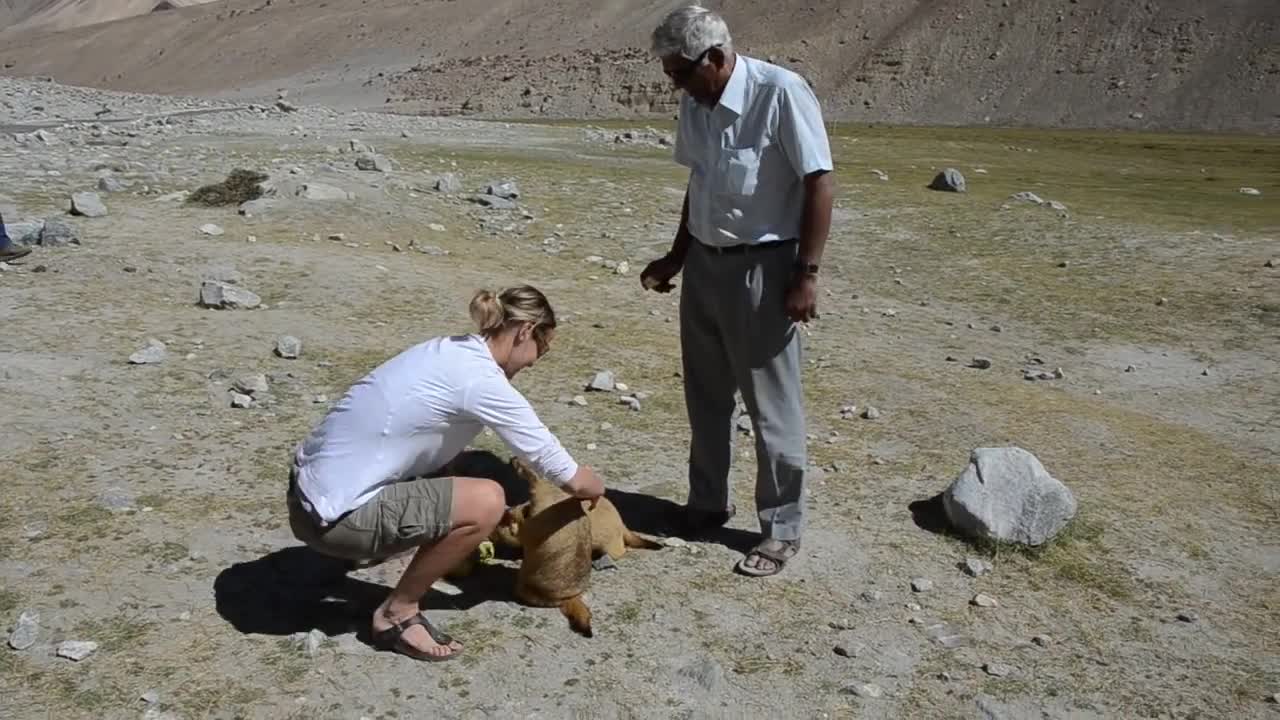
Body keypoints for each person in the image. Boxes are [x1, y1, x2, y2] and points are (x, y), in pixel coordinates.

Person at [286, 285, 606, 661]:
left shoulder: (448, 349)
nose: (533, 362)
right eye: (541, 348)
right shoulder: (481, 380)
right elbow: (563, 470)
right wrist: (595, 489)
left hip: (306, 492)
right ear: (525, 331)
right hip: (332, 520)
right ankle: (396, 614)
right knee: (487, 500)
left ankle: (383, 546)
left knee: (457, 468)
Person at [640, 5, 835, 577]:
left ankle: (780, 529)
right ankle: (706, 504)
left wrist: (806, 274)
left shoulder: (781, 93)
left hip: (766, 268)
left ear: (717, 58)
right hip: (704, 264)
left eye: (681, 73)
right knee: (705, 395)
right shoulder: (694, 103)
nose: (674, 84)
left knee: (771, 406)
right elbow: (698, 181)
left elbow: (819, 181)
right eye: (671, 74)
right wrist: (677, 256)